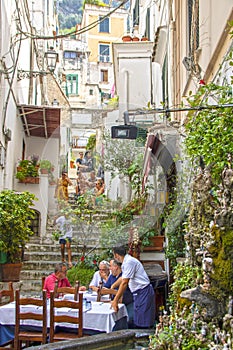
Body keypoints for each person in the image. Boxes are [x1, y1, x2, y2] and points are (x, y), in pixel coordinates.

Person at [111, 245, 155, 329]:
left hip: (143, 292)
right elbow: (123, 278)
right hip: (138, 293)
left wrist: (115, 300)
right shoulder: (126, 262)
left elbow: (124, 282)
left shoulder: (129, 262)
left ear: (116, 255)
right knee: (138, 319)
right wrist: (113, 286)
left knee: (143, 322)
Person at [104, 259, 134, 327]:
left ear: (116, 267)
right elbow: (106, 287)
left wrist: (112, 289)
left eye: (111, 266)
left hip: (127, 303)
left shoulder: (125, 275)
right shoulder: (112, 276)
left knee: (129, 320)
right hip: (115, 303)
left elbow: (123, 287)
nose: (110, 268)